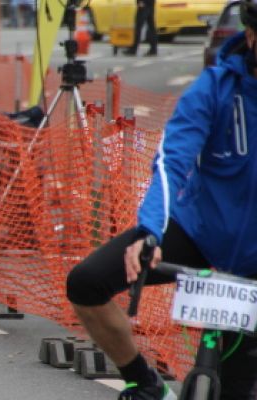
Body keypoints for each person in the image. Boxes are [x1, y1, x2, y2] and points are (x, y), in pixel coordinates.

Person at [65, 3, 257, 398]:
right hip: (197, 232)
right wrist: (150, 231)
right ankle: (144, 382)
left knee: (238, 385)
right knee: (86, 283)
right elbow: (171, 163)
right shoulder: (215, 88)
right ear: (252, 37)